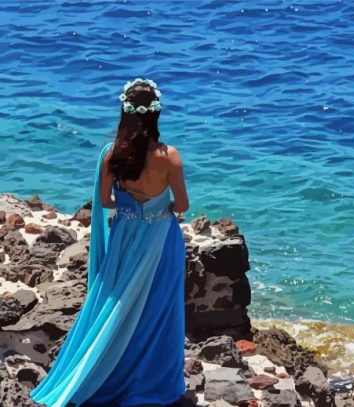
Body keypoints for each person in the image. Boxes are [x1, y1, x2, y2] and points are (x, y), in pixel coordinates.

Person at [29, 78, 190, 406]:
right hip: (161, 240)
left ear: (125, 113)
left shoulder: (110, 154)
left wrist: (131, 208)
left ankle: (101, 371)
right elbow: (183, 205)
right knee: (159, 311)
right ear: (156, 115)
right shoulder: (169, 156)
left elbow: (104, 201)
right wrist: (161, 209)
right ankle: (152, 380)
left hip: (125, 240)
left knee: (114, 306)